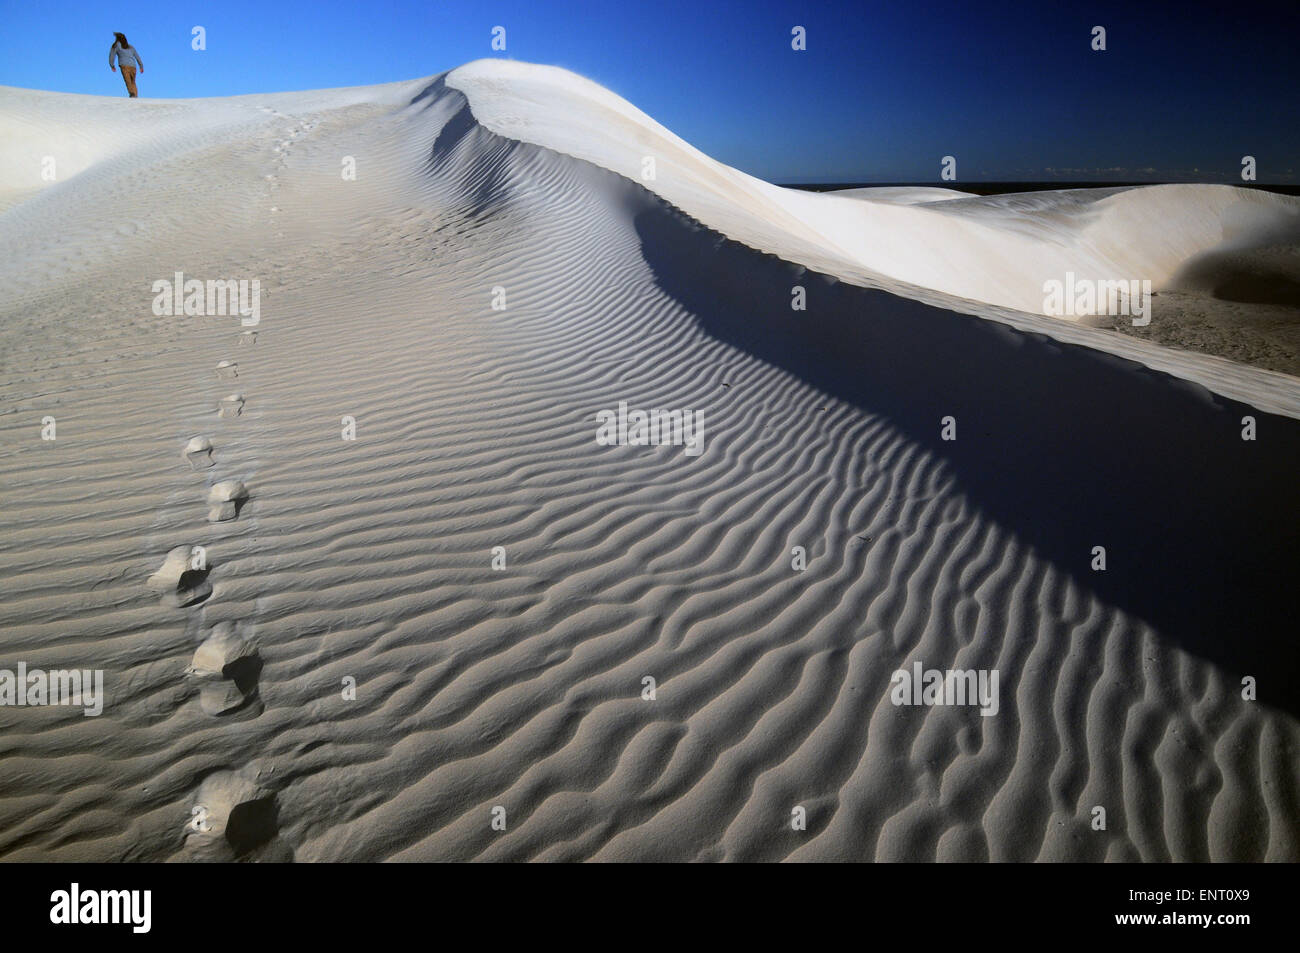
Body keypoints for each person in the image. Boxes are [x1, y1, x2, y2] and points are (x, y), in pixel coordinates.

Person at [109, 32, 144, 98]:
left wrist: (112, 65)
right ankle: (135, 96)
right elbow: (137, 56)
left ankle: (132, 94)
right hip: (133, 66)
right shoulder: (130, 47)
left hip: (124, 65)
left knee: (128, 81)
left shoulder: (116, 45)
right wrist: (141, 66)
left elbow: (112, 55)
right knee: (133, 82)